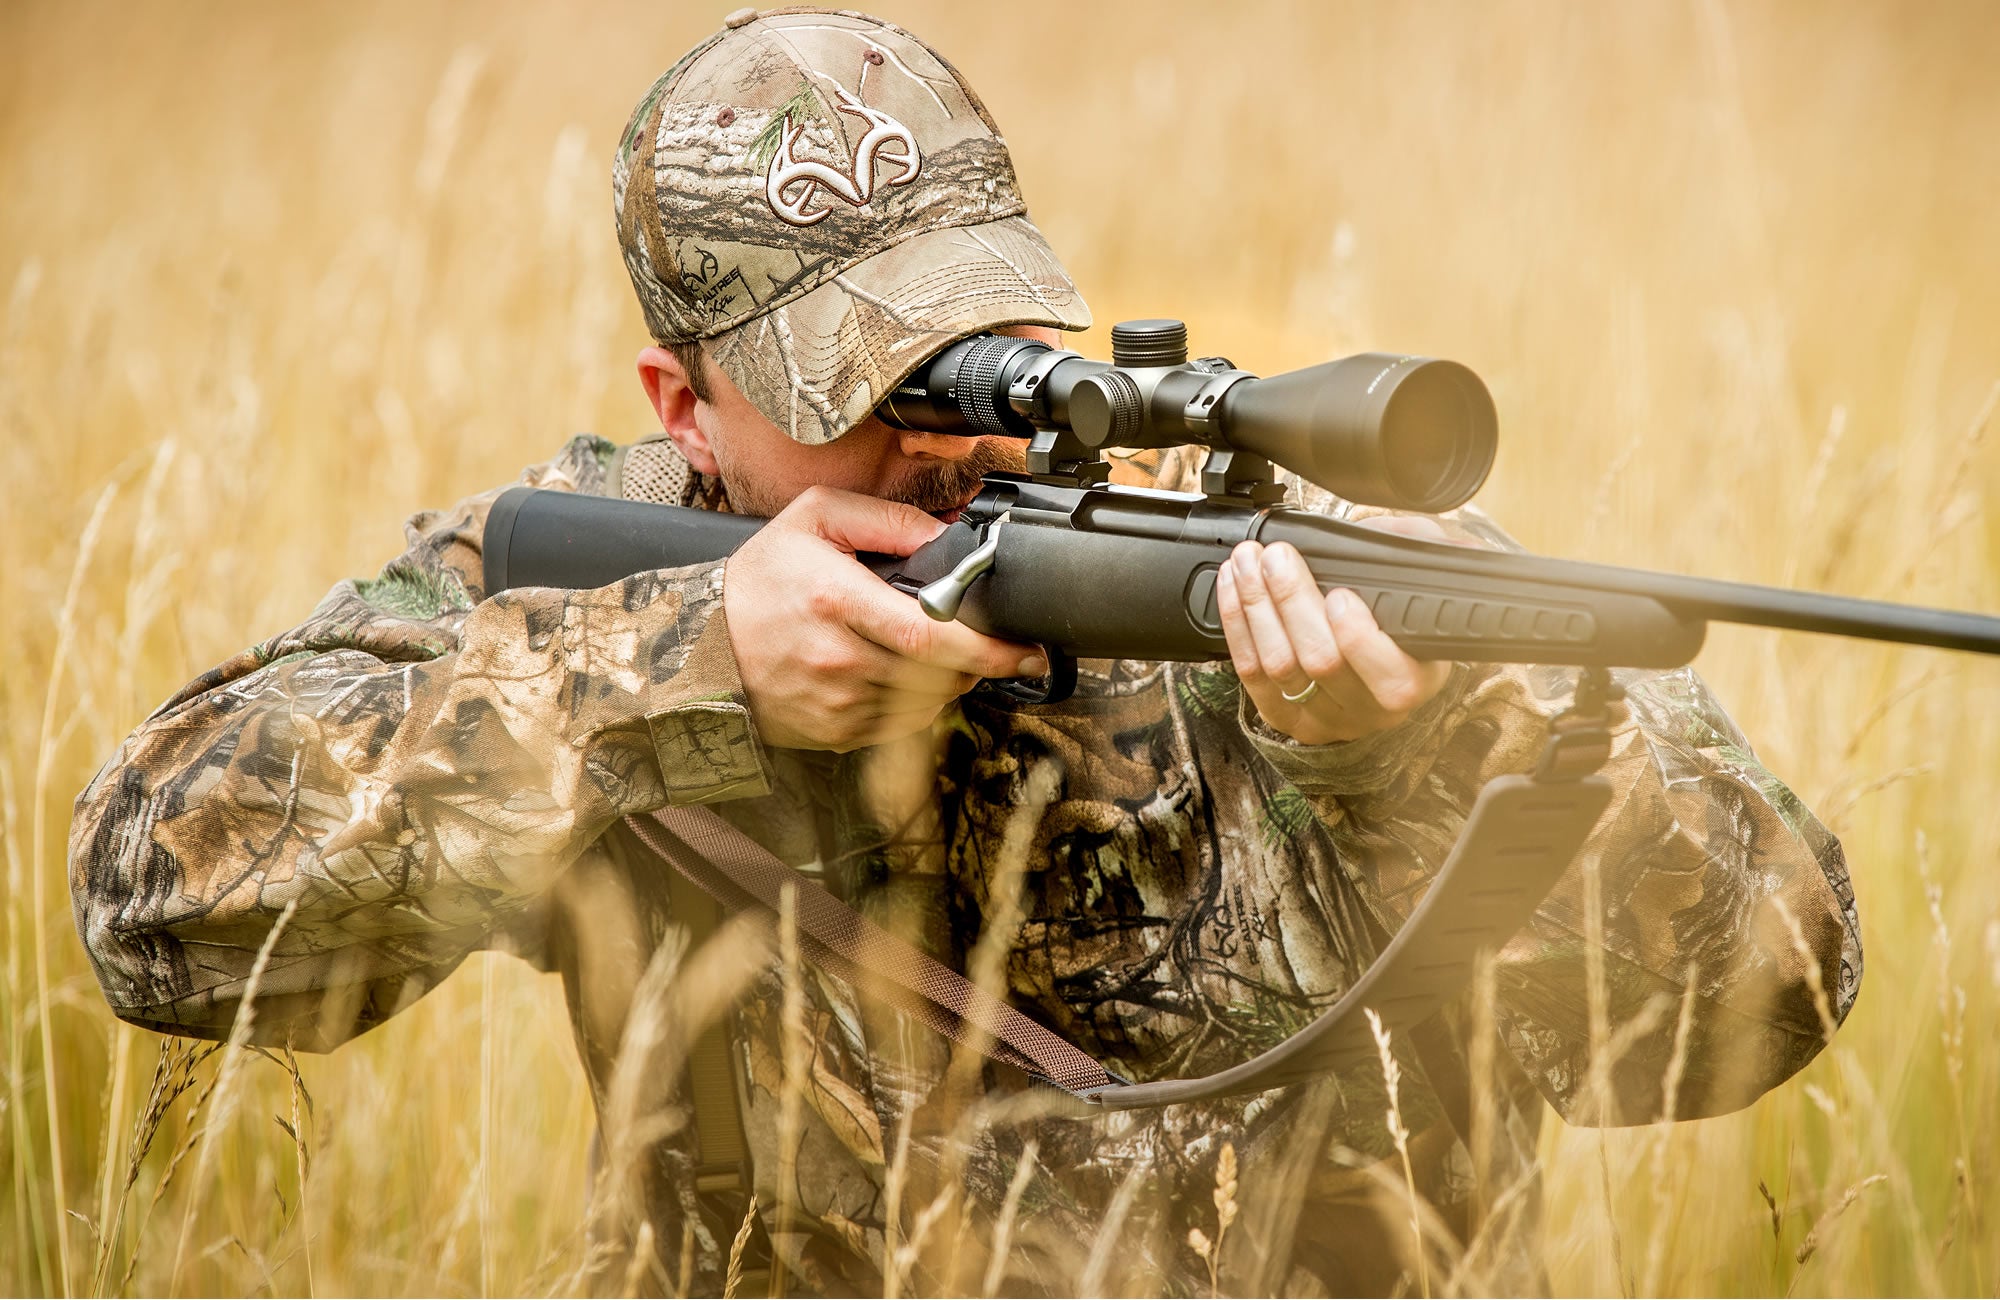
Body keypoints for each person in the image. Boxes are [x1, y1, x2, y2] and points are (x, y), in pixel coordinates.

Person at [69, 8, 1861, 1295]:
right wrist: (677, 674)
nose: (947, 434)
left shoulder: (1310, 558)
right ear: (679, 408)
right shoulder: (595, 577)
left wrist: (1400, 761)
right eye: (858, 391)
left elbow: (1764, 1000)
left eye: (981, 348)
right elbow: (152, 899)